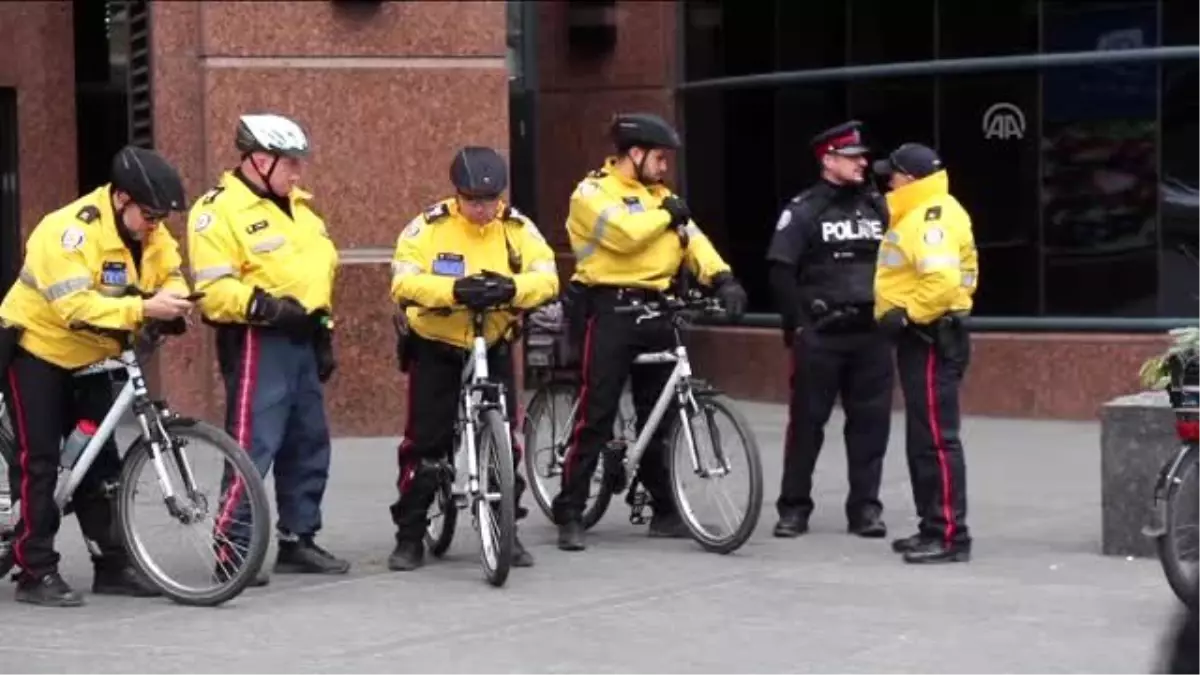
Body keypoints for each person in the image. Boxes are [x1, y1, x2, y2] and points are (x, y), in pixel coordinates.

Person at [0, 145, 195, 606]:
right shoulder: (67, 232)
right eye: (148, 214)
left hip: (93, 356)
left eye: (160, 218)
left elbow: (172, 274)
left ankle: (112, 565)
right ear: (121, 199)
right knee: (41, 460)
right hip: (38, 350)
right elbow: (73, 307)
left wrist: (174, 299)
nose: (155, 225)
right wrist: (145, 307)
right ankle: (35, 571)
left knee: (99, 460)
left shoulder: (151, 232)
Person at [551, 112, 748, 552]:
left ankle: (664, 510)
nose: (665, 167)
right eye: (659, 158)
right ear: (634, 154)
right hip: (608, 309)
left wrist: (723, 278)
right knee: (596, 415)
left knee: (660, 414)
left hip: (657, 308)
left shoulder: (662, 197)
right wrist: (666, 214)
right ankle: (570, 510)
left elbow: (694, 240)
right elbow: (625, 237)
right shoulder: (592, 193)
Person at [187, 113, 349, 582]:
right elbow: (214, 292)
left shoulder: (301, 211)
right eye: (290, 163)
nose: (299, 173)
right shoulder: (218, 211)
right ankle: (232, 548)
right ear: (259, 160)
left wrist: (324, 331)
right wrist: (269, 309)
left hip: (302, 338)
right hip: (259, 338)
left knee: (308, 441)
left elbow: (318, 279)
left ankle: (299, 538)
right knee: (253, 444)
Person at [386, 146, 558, 571]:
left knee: (507, 444)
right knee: (424, 446)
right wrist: (454, 291)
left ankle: (507, 532)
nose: (482, 210)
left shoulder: (516, 227)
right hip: (437, 345)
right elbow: (403, 281)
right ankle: (409, 535)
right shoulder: (427, 227)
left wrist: (511, 289)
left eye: (489, 200)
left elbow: (547, 276)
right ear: (457, 194)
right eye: (473, 201)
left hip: (493, 342)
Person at [765, 120, 894, 540]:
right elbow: (780, 269)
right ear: (829, 160)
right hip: (822, 334)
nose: (863, 163)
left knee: (870, 427)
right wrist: (797, 327)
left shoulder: (879, 207)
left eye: (863, 157)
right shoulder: (804, 208)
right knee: (806, 426)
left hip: (871, 335)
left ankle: (865, 510)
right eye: (853, 157)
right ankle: (794, 508)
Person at [872, 142, 978, 564]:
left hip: (930, 336)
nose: (888, 181)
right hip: (924, 337)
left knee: (936, 440)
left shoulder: (931, 216)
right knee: (923, 437)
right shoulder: (922, 211)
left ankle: (951, 535)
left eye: (893, 175)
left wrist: (907, 315)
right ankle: (932, 526)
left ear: (911, 179)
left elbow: (942, 281)